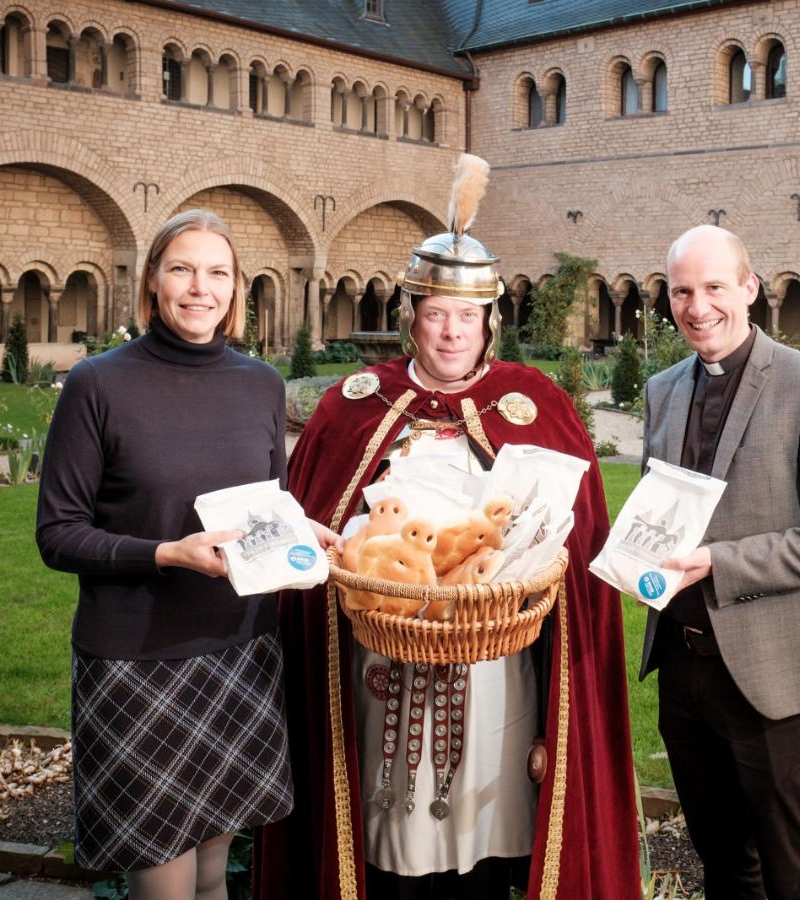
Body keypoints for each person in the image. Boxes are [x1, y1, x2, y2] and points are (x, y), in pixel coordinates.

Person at [254, 156, 642, 900]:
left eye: (468, 316)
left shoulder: (535, 403)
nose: (451, 331)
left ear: (490, 321)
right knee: (385, 832)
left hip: (495, 661)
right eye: (436, 314)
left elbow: (578, 543)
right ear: (412, 318)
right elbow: (314, 530)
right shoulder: (353, 405)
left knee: (487, 832)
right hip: (379, 659)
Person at [36, 209, 337, 900]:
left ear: (236, 289)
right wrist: (167, 552)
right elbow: (58, 533)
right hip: (139, 661)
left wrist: (299, 531)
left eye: (217, 273)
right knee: (164, 882)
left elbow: (267, 503)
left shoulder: (259, 382)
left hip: (240, 648)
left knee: (211, 875)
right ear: (152, 281)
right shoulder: (99, 384)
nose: (199, 288)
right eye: (182, 269)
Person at [637, 224, 800, 899]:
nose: (697, 306)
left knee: (793, 876)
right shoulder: (663, 390)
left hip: (776, 677)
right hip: (682, 668)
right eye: (682, 291)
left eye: (714, 287)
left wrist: (719, 560)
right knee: (722, 867)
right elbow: (663, 510)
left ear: (749, 288)